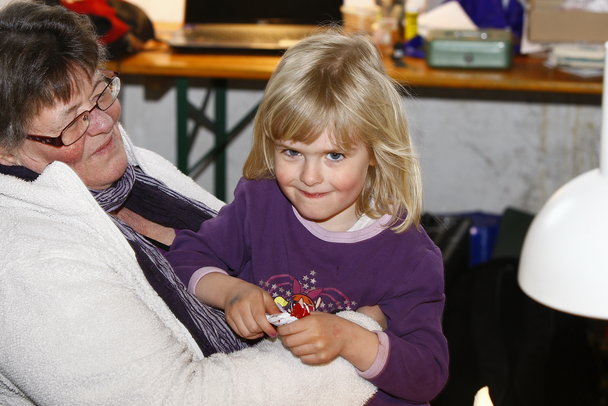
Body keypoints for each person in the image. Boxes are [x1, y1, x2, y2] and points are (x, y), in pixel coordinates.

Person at [0, 2, 381, 404]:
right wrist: (357, 336)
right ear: (6, 150)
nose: (104, 122)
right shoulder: (26, 267)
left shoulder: (136, 173)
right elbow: (173, 399)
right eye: (72, 121)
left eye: (100, 93)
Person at [167, 30, 449, 405]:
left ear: (375, 151)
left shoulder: (409, 255)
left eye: (334, 155)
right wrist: (232, 292)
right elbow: (185, 255)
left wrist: (348, 337)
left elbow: (429, 374)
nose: (310, 176)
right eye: (292, 152)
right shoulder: (260, 201)